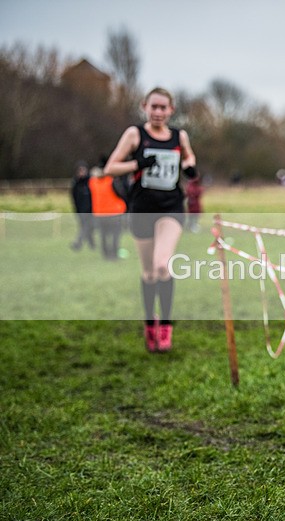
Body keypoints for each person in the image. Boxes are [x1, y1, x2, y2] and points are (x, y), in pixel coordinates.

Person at [104, 87, 197, 353]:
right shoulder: (135, 134)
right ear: (145, 106)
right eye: (153, 107)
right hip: (142, 208)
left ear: (171, 110)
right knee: (147, 273)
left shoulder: (179, 135)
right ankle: (150, 324)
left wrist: (190, 166)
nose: (158, 112)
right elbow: (110, 167)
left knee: (162, 266)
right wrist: (138, 164)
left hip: (171, 207)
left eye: (163, 107)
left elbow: (189, 155)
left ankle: (166, 326)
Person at [88, 162, 127, 260]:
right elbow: (121, 193)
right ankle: (114, 254)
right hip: (114, 212)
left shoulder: (92, 182)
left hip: (100, 213)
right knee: (115, 235)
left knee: (103, 235)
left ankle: (106, 254)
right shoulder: (111, 181)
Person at [70, 160, 95, 251]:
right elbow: (74, 198)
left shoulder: (91, 182)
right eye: (80, 171)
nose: (82, 173)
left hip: (91, 210)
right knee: (85, 227)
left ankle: (79, 243)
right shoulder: (76, 184)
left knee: (88, 227)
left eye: (83, 170)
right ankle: (90, 244)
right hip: (81, 210)